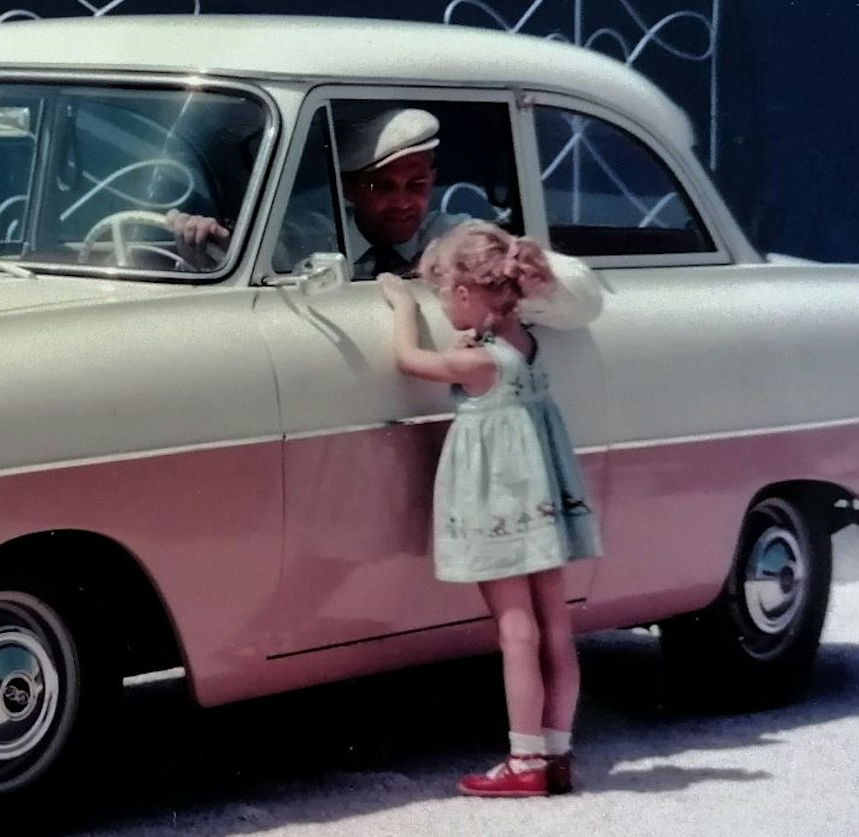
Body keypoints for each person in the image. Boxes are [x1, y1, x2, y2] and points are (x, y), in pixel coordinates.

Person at [378, 221, 602, 797]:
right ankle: (557, 753)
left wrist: (401, 306)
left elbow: (407, 358)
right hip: (543, 506)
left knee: (516, 630)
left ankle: (524, 759)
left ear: (462, 293)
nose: (440, 305)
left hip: (502, 508)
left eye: (440, 296)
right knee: (555, 627)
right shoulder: (526, 346)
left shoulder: (477, 363)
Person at [166, 106, 469, 276]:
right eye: (382, 186)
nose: (402, 202)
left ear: (433, 179)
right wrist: (203, 244)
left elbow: (485, 244)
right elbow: (248, 256)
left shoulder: (448, 235)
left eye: (417, 184)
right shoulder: (308, 239)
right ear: (348, 189)